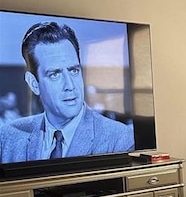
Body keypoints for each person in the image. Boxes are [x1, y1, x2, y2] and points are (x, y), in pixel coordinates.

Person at [0, 21, 134, 163]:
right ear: (34, 84)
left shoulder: (119, 138)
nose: (70, 86)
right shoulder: (8, 137)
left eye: (74, 71)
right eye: (55, 74)